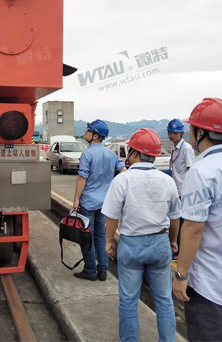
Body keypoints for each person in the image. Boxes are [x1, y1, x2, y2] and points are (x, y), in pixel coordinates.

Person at [172, 97, 222, 342]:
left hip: (211, 287)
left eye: (191, 128)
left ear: (201, 133)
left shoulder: (202, 170)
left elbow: (193, 228)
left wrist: (181, 275)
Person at [103, 128, 181, 342]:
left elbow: (112, 217)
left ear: (135, 153)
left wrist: (109, 242)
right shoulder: (167, 180)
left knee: (128, 301)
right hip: (160, 242)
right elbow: (175, 218)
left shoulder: (122, 180)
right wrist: (173, 241)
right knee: (164, 300)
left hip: (131, 244)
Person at [71, 119, 124, 281]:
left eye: (88, 130)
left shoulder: (87, 153)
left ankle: (90, 270)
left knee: (87, 236)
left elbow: (82, 178)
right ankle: (103, 270)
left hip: (88, 202)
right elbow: (123, 171)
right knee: (101, 235)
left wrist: (76, 199)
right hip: (105, 203)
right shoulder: (110, 154)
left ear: (95, 136)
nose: (85, 132)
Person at [167, 117, 196, 258]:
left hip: (184, 191)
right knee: (175, 220)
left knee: (181, 222)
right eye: (170, 132)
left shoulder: (186, 148)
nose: (172, 135)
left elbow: (191, 170)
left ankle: (178, 251)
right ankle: (175, 248)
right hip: (176, 190)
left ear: (182, 134)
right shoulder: (174, 147)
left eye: (175, 133)